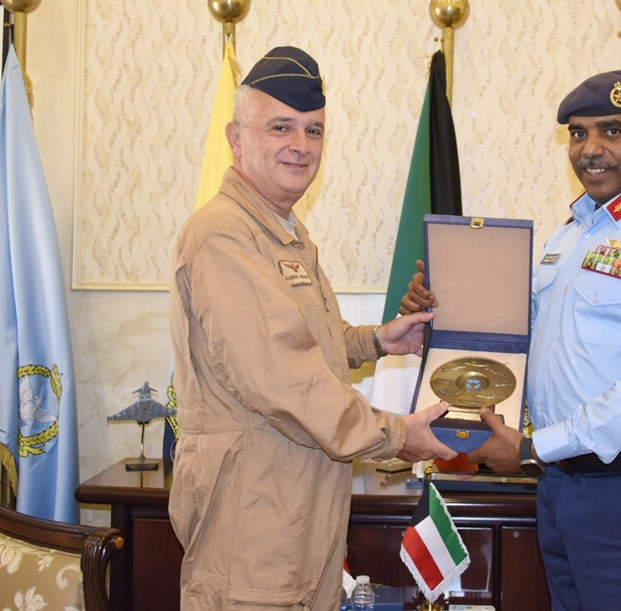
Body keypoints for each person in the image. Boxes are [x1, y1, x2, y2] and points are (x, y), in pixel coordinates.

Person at [402, 69, 621, 610]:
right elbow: (524, 336)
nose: (591, 149)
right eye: (579, 134)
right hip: (563, 484)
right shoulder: (573, 233)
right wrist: (440, 314)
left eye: (612, 130)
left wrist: (531, 450)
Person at [168, 45, 455, 611]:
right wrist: (398, 435)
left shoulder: (284, 231)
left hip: (298, 509)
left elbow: (303, 340)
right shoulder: (224, 236)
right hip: (253, 520)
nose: (301, 145)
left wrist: (376, 340)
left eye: (314, 130)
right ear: (236, 138)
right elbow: (286, 380)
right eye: (281, 127)